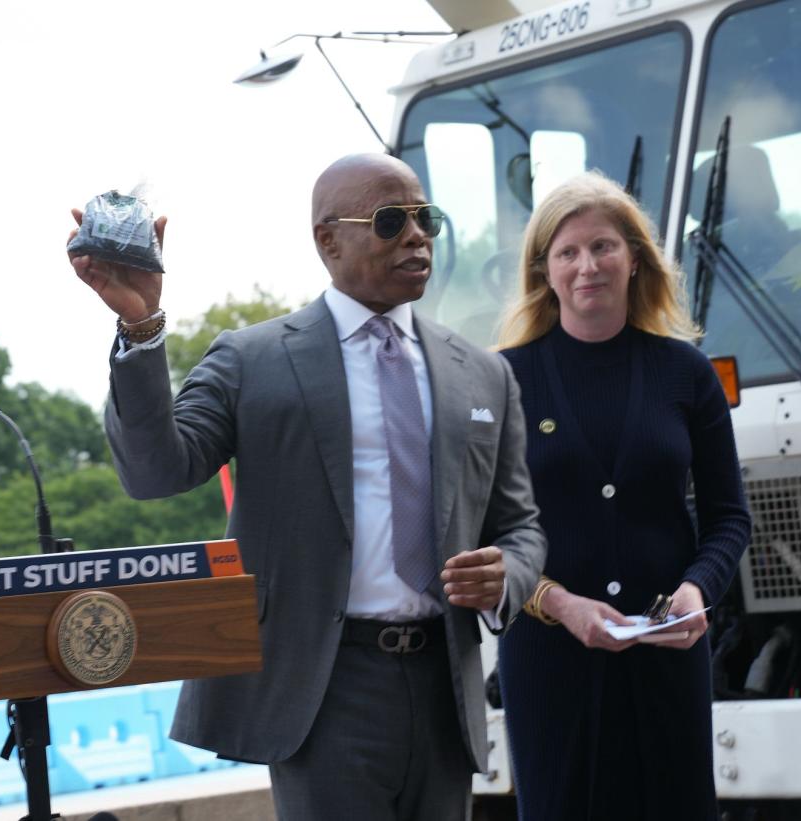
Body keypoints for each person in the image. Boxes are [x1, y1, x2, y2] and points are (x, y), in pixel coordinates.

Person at [66, 153, 546, 821]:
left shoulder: (482, 373)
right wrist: (142, 327)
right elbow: (155, 472)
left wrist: (509, 576)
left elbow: (521, 526)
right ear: (328, 239)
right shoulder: (252, 359)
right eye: (390, 221)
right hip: (323, 689)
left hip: (445, 685)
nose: (417, 236)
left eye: (424, 217)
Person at [496, 171, 752, 820]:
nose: (589, 265)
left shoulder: (687, 373)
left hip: (668, 659)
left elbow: (727, 517)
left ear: (635, 258)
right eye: (568, 252)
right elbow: (481, 531)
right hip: (550, 662)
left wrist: (697, 591)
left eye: (604, 246)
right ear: (545, 272)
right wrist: (559, 604)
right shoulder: (502, 380)